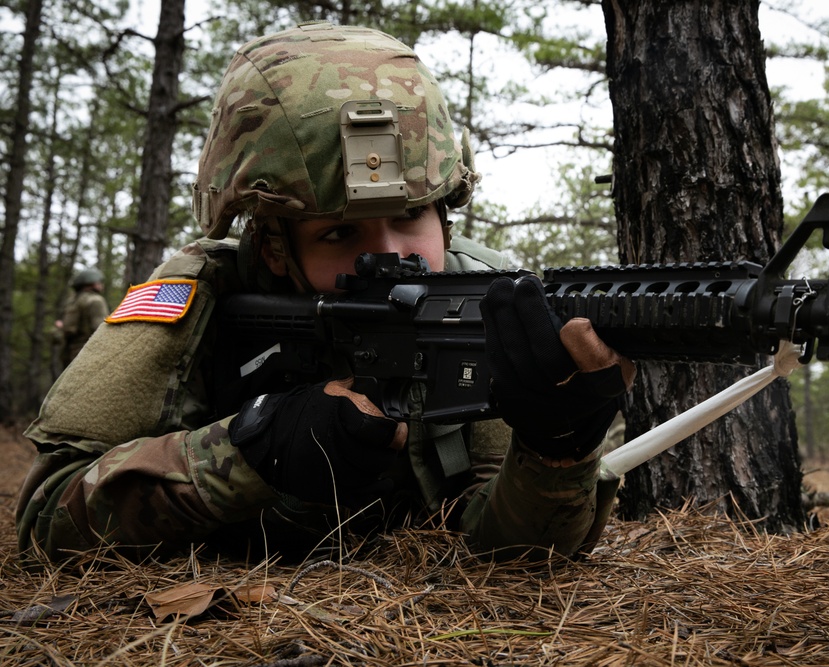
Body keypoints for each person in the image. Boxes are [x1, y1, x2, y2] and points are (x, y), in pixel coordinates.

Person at [15, 23, 634, 563]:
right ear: (276, 245)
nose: (394, 255)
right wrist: (251, 448)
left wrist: (555, 455)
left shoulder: (488, 302)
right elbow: (45, 516)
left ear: (445, 212)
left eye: (412, 215)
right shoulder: (201, 297)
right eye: (341, 232)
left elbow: (514, 558)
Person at [54, 268, 109, 369]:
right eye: (99, 282)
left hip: (69, 353)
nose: (102, 285)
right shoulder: (96, 300)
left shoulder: (72, 300)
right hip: (87, 353)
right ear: (92, 283)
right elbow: (100, 330)